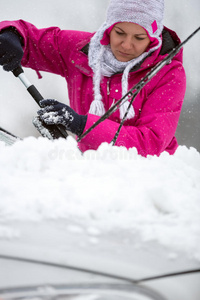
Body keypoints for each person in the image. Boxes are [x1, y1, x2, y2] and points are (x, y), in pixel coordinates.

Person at [0, 0, 186, 156]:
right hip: (90, 169)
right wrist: (11, 35)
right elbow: (33, 41)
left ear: (153, 38)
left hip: (150, 177)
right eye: (119, 33)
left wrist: (81, 125)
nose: (127, 45)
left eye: (139, 38)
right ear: (108, 29)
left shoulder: (169, 74)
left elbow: (151, 142)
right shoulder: (83, 51)